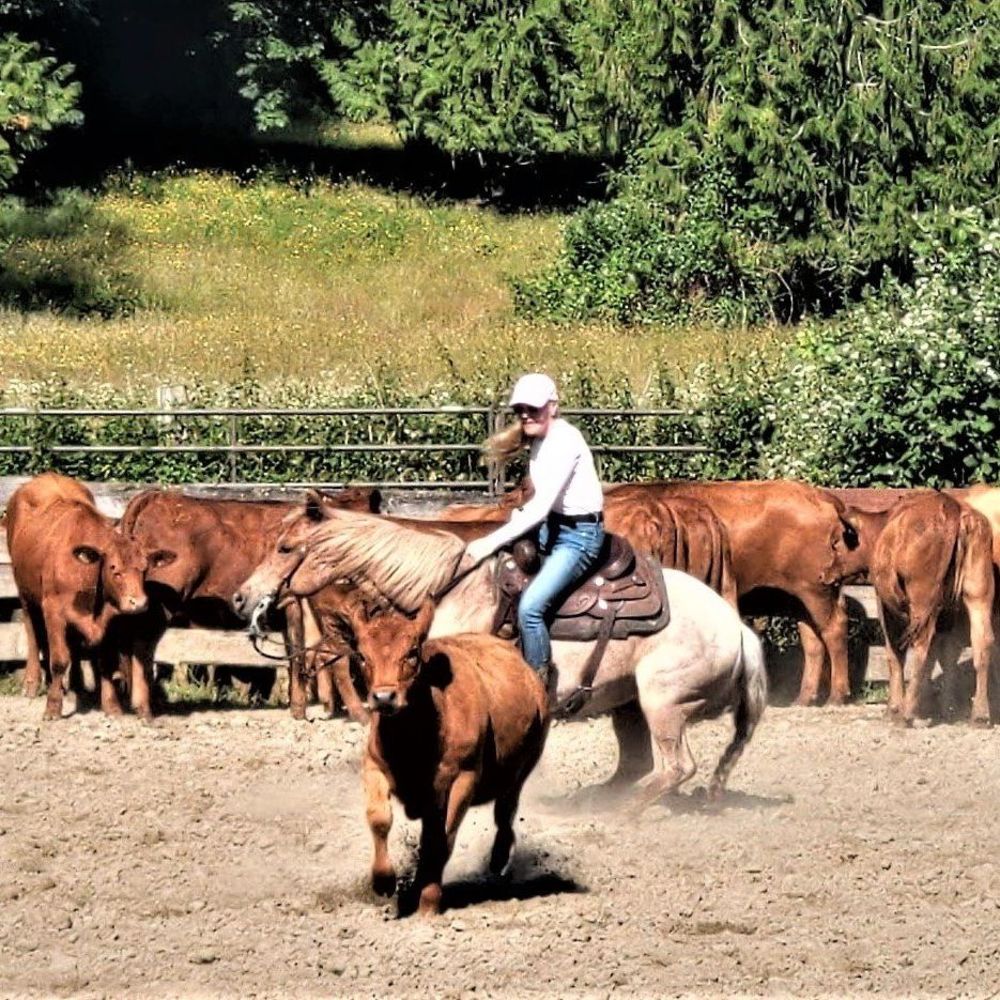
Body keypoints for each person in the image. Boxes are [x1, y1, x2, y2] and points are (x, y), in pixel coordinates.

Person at [462, 373, 605, 682]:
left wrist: (488, 541)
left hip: (579, 537)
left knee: (530, 608)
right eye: (520, 409)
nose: (526, 415)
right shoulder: (541, 440)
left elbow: (539, 507)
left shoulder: (565, 441)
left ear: (553, 407)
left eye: (534, 408)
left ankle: (536, 681)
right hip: (554, 527)